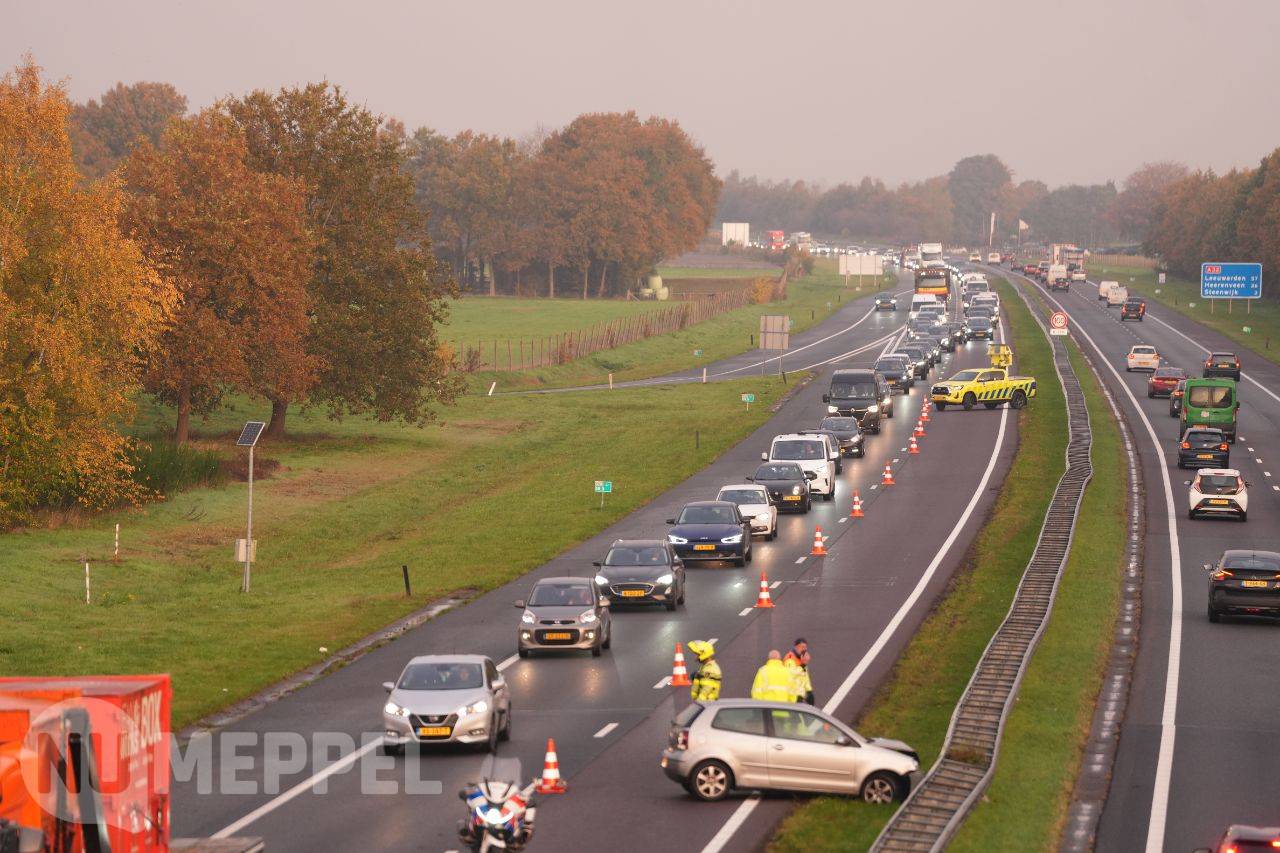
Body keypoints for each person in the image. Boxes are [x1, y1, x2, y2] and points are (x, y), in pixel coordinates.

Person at [784, 638, 814, 705]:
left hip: (801, 695)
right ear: (796, 647)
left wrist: (809, 691)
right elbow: (791, 675)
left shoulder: (802, 659)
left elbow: (805, 677)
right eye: (802, 647)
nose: (804, 649)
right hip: (793, 696)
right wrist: (803, 665)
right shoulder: (790, 658)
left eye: (805, 647)